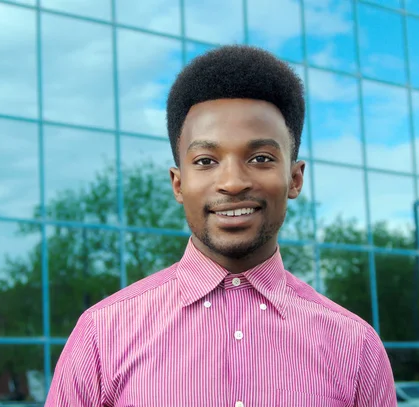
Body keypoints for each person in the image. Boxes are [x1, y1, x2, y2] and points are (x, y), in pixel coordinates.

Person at [45, 45, 397, 407]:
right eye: (206, 160)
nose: (232, 182)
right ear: (178, 184)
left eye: (260, 158)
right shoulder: (101, 335)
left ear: (294, 179)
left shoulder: (356, 347)